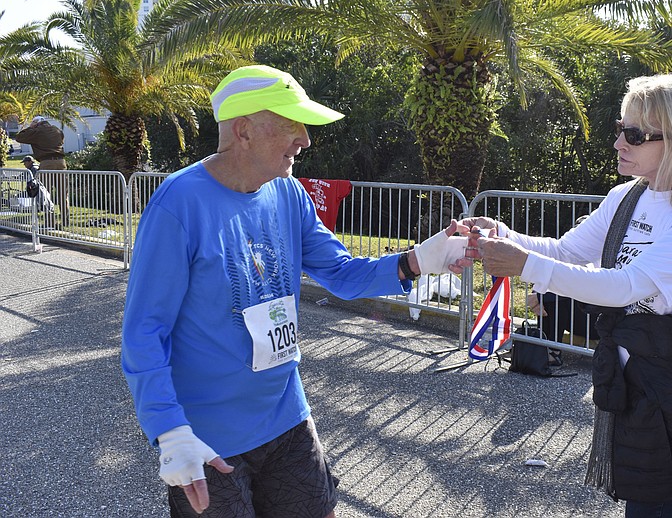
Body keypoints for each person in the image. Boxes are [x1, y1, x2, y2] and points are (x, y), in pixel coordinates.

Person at [121, 64, 468, 518]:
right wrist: (169, 430)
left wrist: (419, 259)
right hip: (207, 437)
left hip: (286, 417)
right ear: (243, 130)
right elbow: (145, 331)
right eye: (290, 124)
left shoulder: (289, 194)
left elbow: (340, 272)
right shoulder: (179, 204)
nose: (304, 139)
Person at [453, 74, 672, 517]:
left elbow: (625, 287)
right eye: (620, 128)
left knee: (650, 505)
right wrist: (499, 234)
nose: (619, 142)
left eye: (634, 135)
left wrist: (523, 264)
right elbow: (565, 250)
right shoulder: (626, 197)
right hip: (631, 380)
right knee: (642, 497)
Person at [16, 117, 69, 226]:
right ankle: (65, 221)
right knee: (63, 194)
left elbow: (19, 137)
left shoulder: (36, 131)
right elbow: (61, 140)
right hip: (61, 162)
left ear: (36, 123)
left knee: (46, 194)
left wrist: (30, 127)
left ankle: (50, 222)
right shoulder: (56, 130)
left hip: (46, 163)